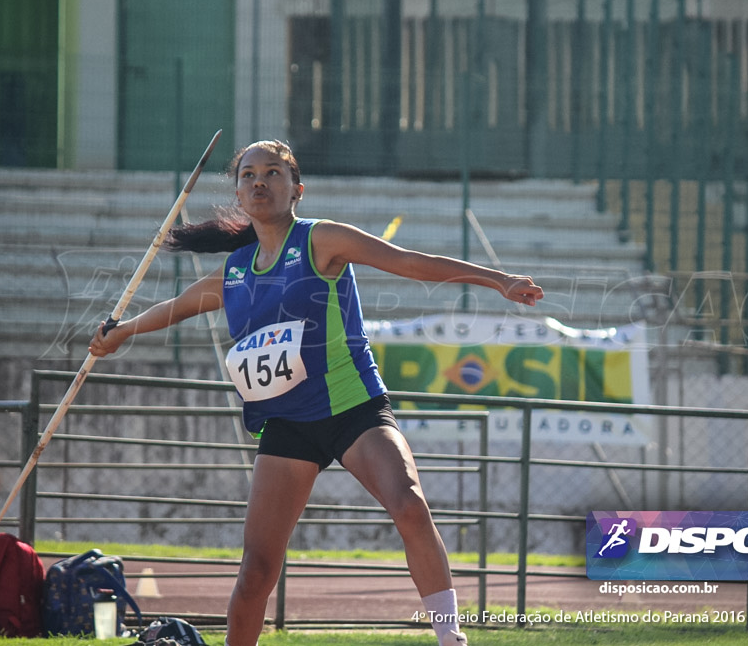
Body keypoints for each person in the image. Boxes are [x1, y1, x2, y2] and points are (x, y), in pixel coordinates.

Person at [89, 140, 544, 646]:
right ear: (239, 193)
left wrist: (497, 279)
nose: (259, 181)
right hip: (288, 425)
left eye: (272, 173)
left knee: (409, 503)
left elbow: (409, 263)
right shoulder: (237, 270)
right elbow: (179, 305)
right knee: (257, 569)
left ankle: (449, 638)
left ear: (296, 189)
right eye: (248, 175)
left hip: (353, 409)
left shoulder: (321, 239)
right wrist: (123, 331)